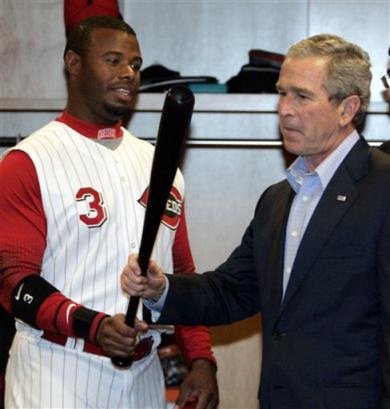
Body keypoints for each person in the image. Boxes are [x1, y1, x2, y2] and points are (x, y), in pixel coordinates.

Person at [122, 34, 390, 409]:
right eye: (282, 93)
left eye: (302, 96)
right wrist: (160, 288)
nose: (284, 109)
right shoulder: (277, 199)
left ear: (348, 109)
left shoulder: (383, 187)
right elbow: (233, 291)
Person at [0, 16, 218, 409]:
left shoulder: (159, 163)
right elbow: (14, 283)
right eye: (113, 60)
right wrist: (94, 326)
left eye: (135, 64)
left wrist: (201, 359)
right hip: (57, 370)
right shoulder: (28, 161)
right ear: (74, 63)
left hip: (145, 373)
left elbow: (182, 274)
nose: (128, 74)